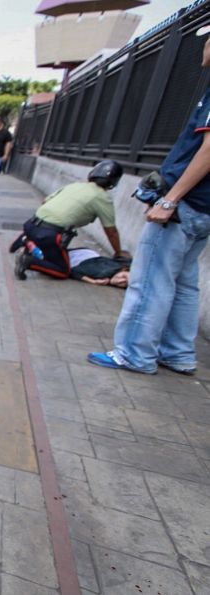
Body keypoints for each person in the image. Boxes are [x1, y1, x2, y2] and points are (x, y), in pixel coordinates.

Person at [88, 29, 210, 376]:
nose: (205, 44)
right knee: (184, 283)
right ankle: (178, 353)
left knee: (151, 281)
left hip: (185, 206)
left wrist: (170, 201)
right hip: (201, 208)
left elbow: (208, 151)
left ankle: (134, 354)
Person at [11, 160, 127, 280]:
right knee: (63, 271)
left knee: (50, 253)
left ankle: (27, 242)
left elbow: (45, 201)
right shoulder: (102, 197)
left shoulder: (74, 185)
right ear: (114, 182)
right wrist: (118, 252)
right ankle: (28, 261)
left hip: (31, 225)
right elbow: (111, 231)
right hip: (49, 235)